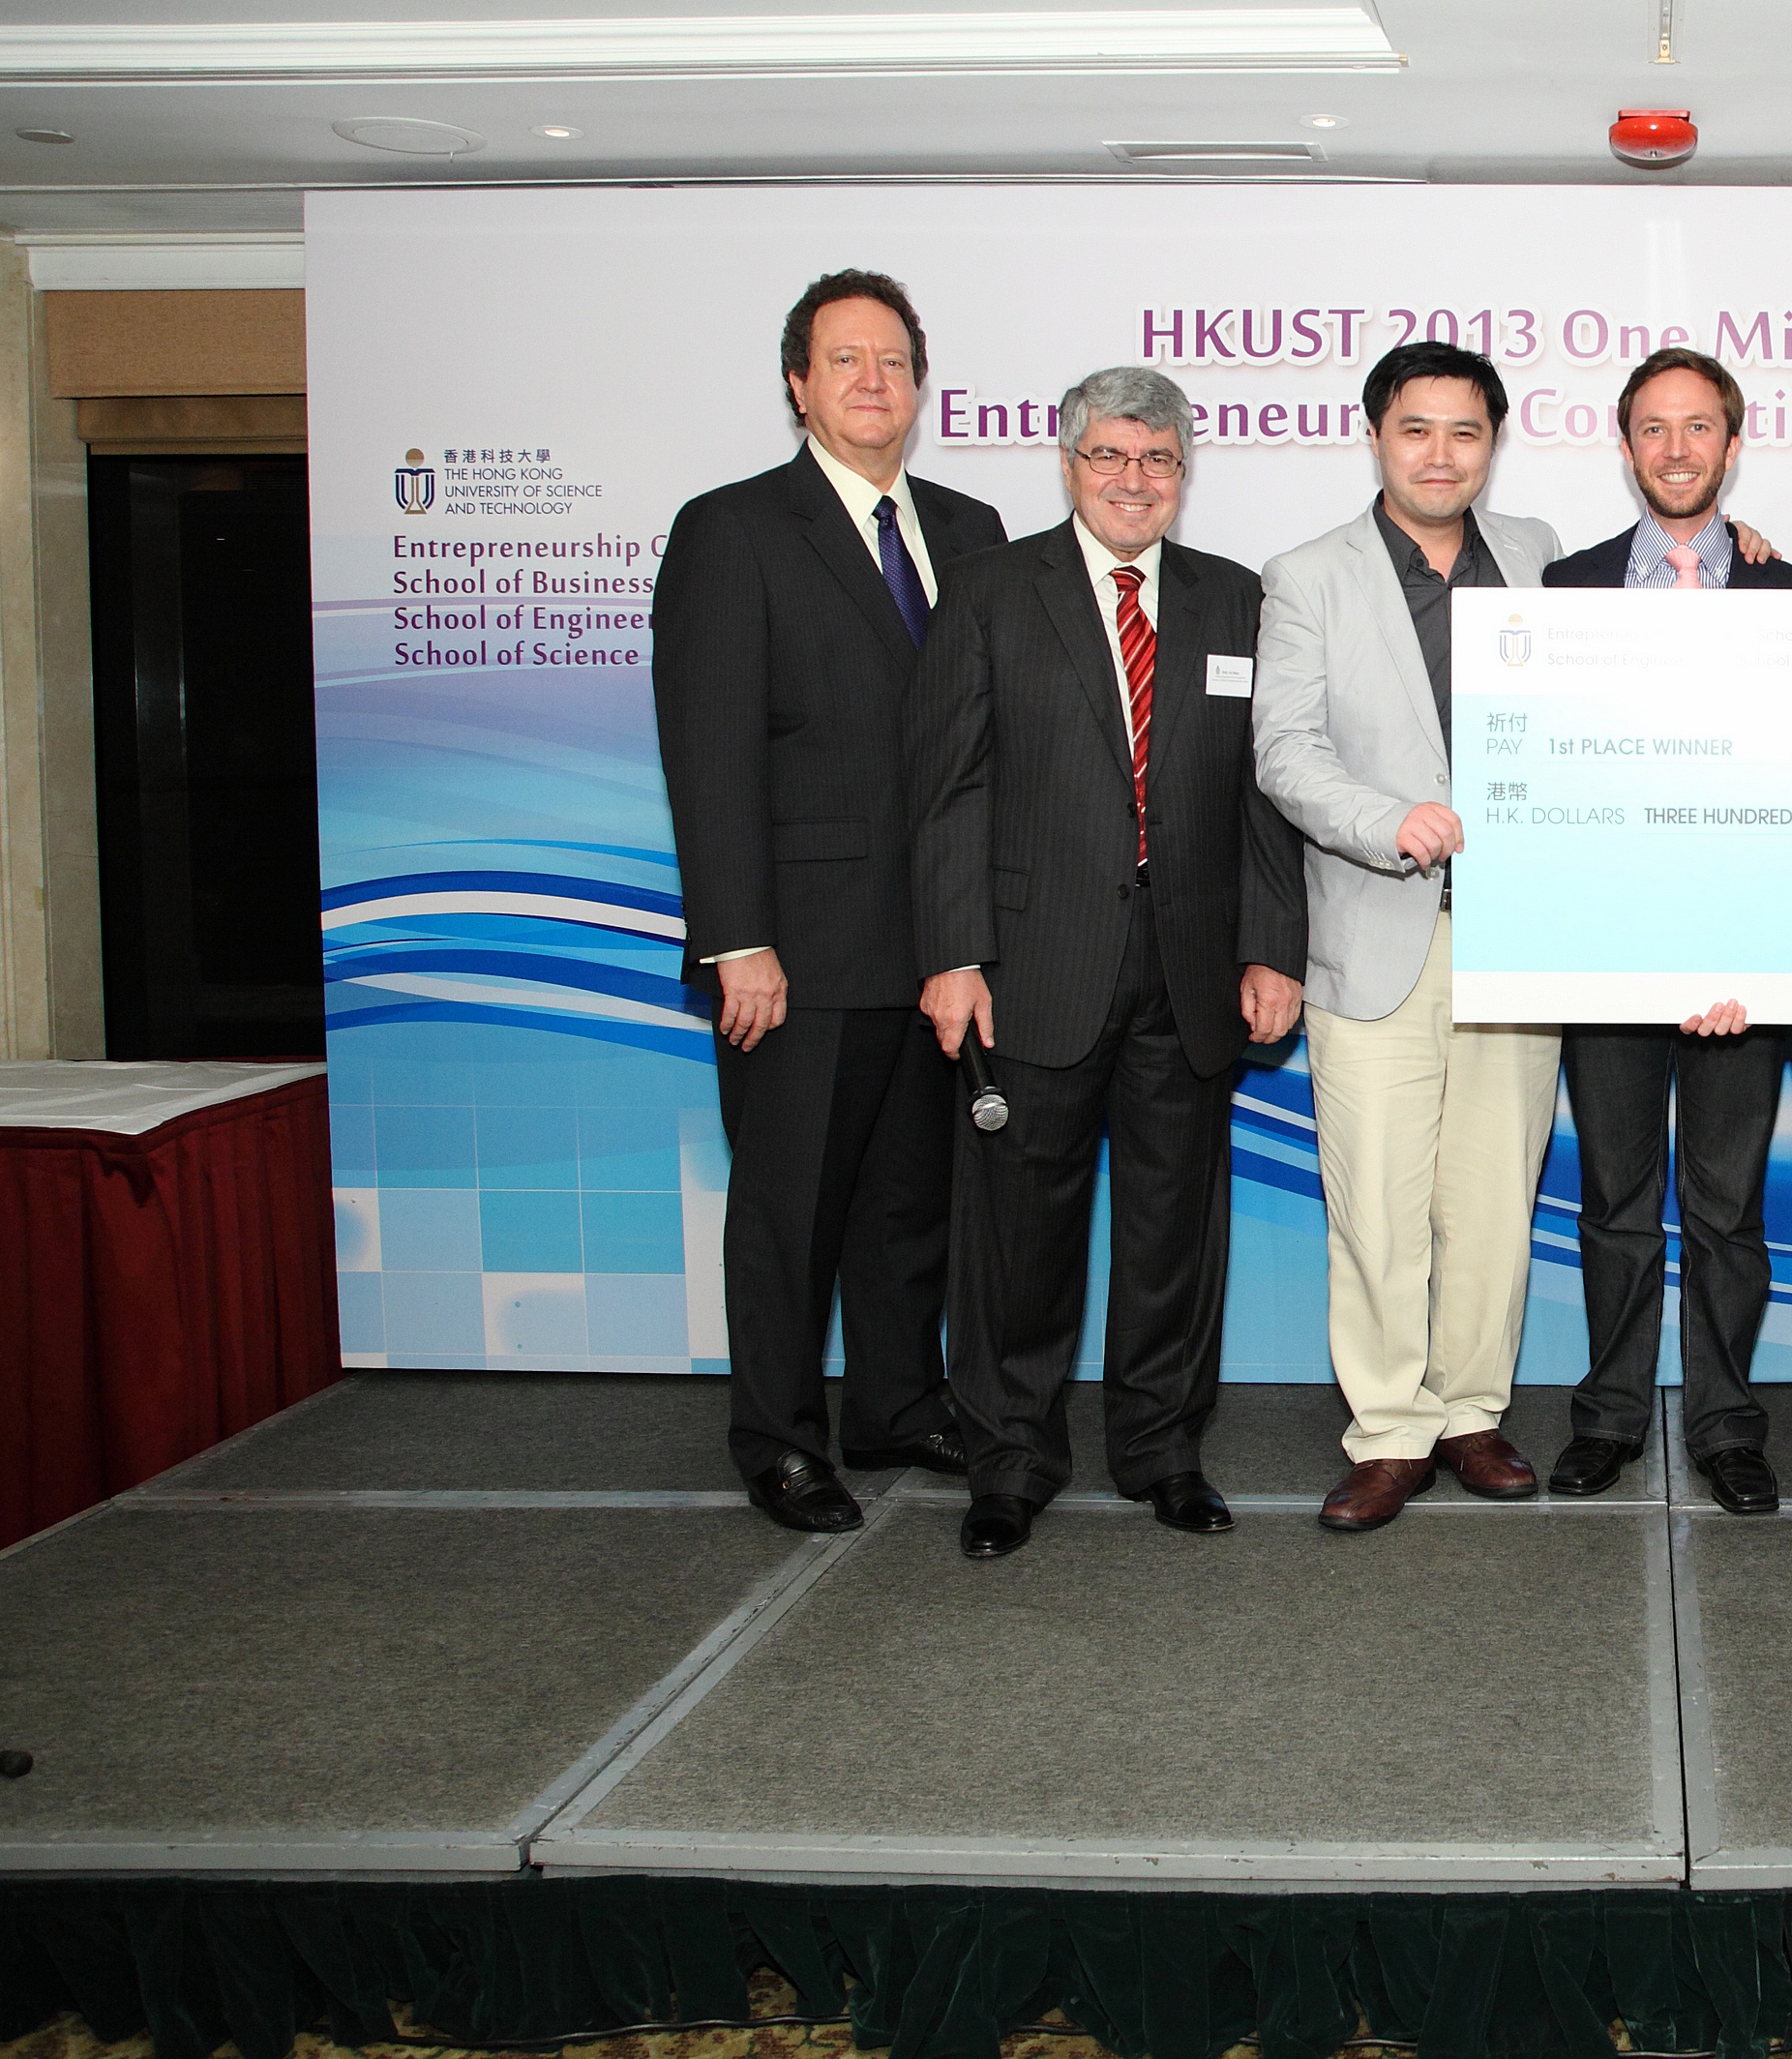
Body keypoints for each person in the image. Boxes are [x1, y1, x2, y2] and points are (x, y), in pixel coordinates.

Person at [905, 368, 1307, 1558]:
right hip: (1029, 969)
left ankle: (1163, 1450)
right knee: (1015, 1234)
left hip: (1191, 972)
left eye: (1158, 460)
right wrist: (953, 954)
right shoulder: (987, 592)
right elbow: (944, 792)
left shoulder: (1240, 603)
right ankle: (1011, 1462)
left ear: (1185, 474)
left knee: (1175, 1233)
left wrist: (1273, 949)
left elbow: (1265, 795)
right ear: (1069, 464)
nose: (1135, 481)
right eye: (1110, 458)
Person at [651, 270, 1004, 1534]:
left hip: (943, 952)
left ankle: (900, 1407)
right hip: (795, 951)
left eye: (893, 361)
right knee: (791, 1214)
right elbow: (709, 747)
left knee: (914, 1206)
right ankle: (781, 1438)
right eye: (844, 360)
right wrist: (736, 938)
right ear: (798, 384)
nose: (872, 382)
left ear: (921, 385)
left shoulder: (969, 529)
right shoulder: (734, 530)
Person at [1253, 339, 1566, 1534]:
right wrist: (1393, 824)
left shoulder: (1541, 559)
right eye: (1418, 429)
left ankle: (1471, 1413)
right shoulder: (1308, 574)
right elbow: (1283, 753)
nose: (1442, 454)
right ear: (1377, 435)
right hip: (1372, 930)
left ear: (1494, 441)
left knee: (1491, 1199)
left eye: (1467, 432)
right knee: (1377, 1205)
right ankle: (1388, 1430)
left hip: (1520, 942)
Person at [1538, 350, 1792, 1514]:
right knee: (1612, 1198)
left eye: (1699, 427)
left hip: (1746, 964)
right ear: (1626, 446)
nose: (1677, 449)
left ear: (1734, 444)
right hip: (1608, 949)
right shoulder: (1561, 592)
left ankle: (1726, 1422)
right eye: (1654, 428)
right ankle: (1606, 1414)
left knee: (1728, 1205)